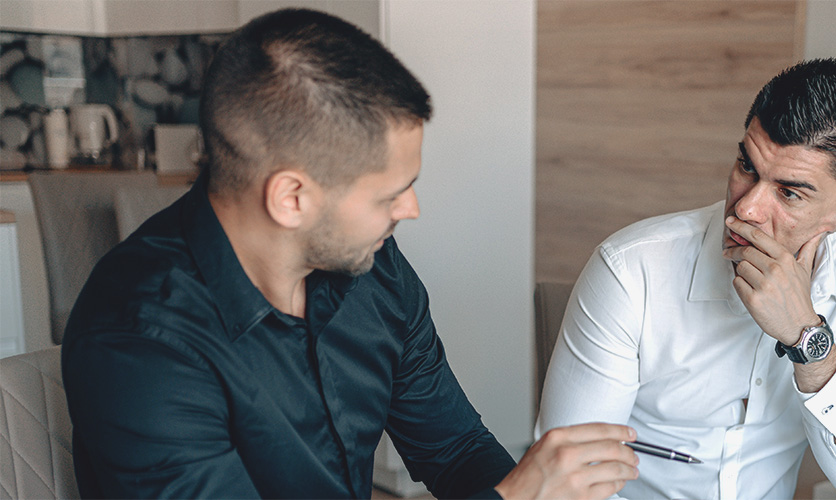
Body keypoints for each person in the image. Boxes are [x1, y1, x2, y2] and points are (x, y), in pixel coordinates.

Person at [62, 8, 640, 499]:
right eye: (389, 193)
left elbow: (455, 450)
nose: (411, 209)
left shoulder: (376, 271)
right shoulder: (139, 338)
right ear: (292, 197)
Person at [536, 58, 836, 499]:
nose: (746, 209)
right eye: (746, 166)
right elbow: (565, 484)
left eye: (789, 192)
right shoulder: (631, 269)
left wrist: (809, 342)